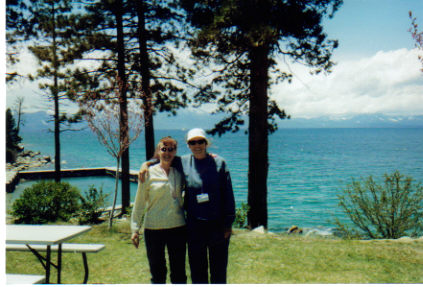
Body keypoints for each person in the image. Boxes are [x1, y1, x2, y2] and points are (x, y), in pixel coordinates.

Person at [139, 128, 235, 284]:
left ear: (206, 143)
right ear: (188, 145)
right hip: (195, 226)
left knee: (218, 270)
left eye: (200, 141)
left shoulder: (219, 163)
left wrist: (228, 223)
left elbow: (228, 194)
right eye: (192, 142)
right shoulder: (183, 161)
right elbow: (164, 157)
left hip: (217, 226)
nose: (197, 145)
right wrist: (146, 163)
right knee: (198, 271)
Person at [131, 136, 187, 284]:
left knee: (179, 273)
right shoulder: (148, 173)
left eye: (171, 149)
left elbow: (198, 160)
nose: (167, 153)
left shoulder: (180, 171)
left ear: (175, 152)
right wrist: (135, 229)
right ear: (158, 151)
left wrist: (211, 156)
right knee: (157, 272)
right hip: (153, 229)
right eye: (164, 149)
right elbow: (139, 202)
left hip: (177, 227)